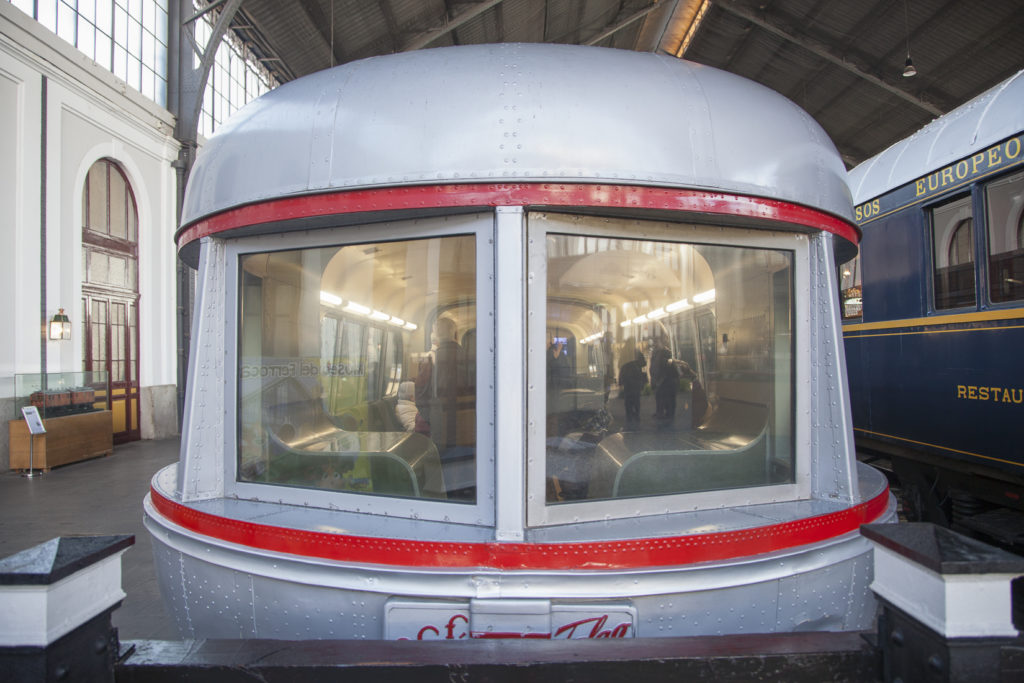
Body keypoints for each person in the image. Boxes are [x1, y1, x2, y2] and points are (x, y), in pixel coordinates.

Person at [618, 352, 646, 424]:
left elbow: (621, 370)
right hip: (633, 383)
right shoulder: (636, 361)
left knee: (629, 401)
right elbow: (643, 365)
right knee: (635, 400)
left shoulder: (627, 362)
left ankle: (630, 416)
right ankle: (635, 415)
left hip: (629, 383)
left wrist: (620, 383)